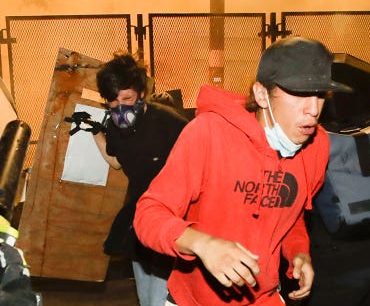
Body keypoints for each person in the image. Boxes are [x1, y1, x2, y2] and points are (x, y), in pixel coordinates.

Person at [132, 37, 352, 306]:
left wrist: (298, 252)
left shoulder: (317, 145)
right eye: (299, 93)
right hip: (195, 301)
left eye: (320, 95)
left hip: (264, 298)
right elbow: (148, 214)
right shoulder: (209, 133)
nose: (313, 109)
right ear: (261, 94)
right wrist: (202, 243)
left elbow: (291, 212)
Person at [90, 52, 189, 306]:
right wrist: (96, 135)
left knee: (160, 299)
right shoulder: (114, 126)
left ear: (141, 93)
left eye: (127, 99)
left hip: (171, 219)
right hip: (140, 218)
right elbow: (117, 162)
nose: (120, 108)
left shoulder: (171, 124)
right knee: (146, 299)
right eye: (113, 102)